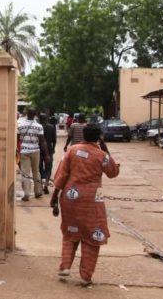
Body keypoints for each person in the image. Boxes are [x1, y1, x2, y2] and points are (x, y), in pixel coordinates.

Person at [50, 123, 120, 287]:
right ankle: (86, 276)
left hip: (70, 198)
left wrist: (54, 197)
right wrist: (105, 149)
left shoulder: (72, 150)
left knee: (70, 232)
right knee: (91, 237)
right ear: (99, 137)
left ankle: (65, 266)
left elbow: (62, 174)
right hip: (92, 201)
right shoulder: (101, 155)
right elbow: (113, 172)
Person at [17, 107, 50, 201]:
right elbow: (42, 142)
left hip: (24, 151)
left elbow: (17, 139)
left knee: (25, 173)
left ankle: (27, 193)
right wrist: (47, 154)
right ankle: (38, 191)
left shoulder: (20, 125)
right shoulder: (39, 126)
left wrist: (16, 151)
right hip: (36, 151)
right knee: (36, 171)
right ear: (35, 115)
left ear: (27, 114)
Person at [38, 113, 57, 195]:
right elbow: (54, 140)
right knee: (48, 168)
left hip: (38, 149)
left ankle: (42, 182)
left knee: (40, 167)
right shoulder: (51, 127)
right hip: (48, 149)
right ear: (46, 118)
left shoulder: (38, 126)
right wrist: (53, 148)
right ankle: (46, 183)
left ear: (39, 119)